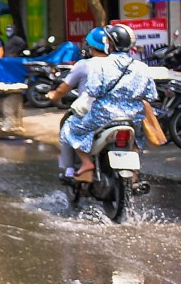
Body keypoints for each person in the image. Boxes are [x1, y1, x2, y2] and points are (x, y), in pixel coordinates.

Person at [50, 23, 156, 183]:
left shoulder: (101, 65)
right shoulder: (142, 67)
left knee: (69, 128)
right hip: (132, 119)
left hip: (102, 116)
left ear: (110, 44)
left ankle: (86, 163)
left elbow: (93, 90)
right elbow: (151, 95)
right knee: (137, 138)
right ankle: (134, 172)